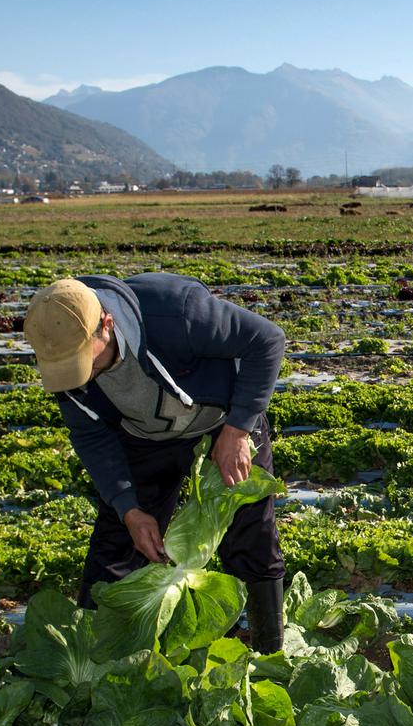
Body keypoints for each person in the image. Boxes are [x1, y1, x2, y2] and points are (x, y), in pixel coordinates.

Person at [23, 273, 287, 652]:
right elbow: (91, 434)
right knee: (119, 541)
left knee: (249, 528)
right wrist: (128, 507)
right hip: (145, 435)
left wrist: (238, 429)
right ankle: (92, 657)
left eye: (84, 360)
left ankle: (269, 651)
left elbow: (266, 340)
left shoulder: (175, 313)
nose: (78, 375)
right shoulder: (61, 347)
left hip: (219, 420)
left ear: (107, 325)